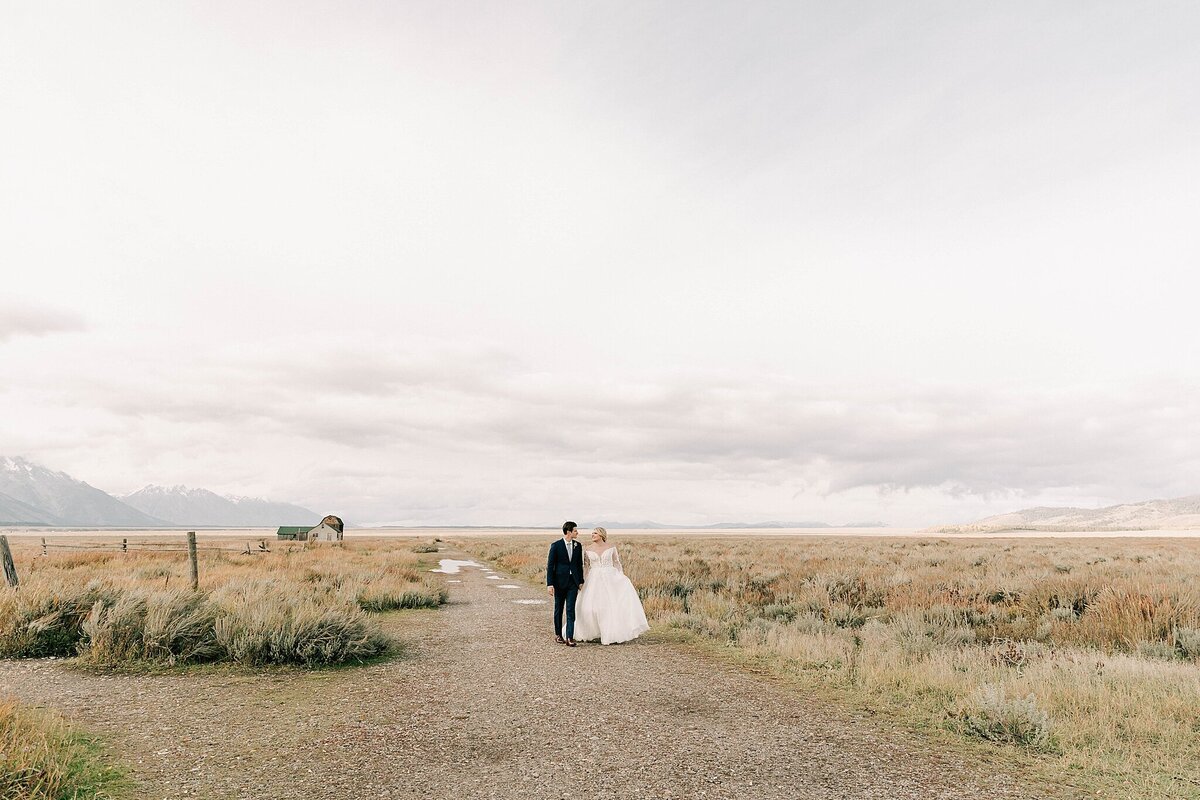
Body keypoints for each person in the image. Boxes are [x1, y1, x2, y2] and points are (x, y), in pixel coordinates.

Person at [573, 527, 650, 644]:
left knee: (611, 605)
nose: (592, 535)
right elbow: (586, 567)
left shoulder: (611, 547)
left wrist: (621, 577)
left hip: (610, 577)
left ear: (601, 535)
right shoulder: (587, 549)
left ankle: (611, 634)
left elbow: (617, 563)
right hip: (593, 579)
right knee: (590, 606)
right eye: (592, 533)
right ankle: (590, 631)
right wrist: (582, 581)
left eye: (595, 533)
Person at [546, 520, 585, 646]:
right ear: (569, 532)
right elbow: (550, 566)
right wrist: (550, 584)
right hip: (558, 582)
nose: (577, 532)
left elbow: (579, 565)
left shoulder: (578, 546)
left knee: (570, 609)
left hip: (573, 583)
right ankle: (558, 635)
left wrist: (580, 581)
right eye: (575, 530)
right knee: (559, 608)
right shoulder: (556, 546)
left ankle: (570, 637)